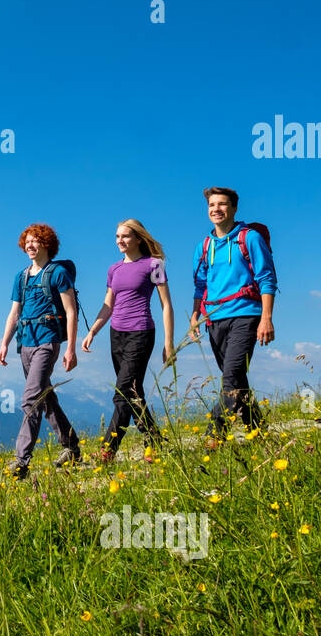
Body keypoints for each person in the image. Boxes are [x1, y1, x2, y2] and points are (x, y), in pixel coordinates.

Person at [187, 187, 277, 446]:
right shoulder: (204, 246)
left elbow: (267, 279)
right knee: (238, 382)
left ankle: (213, 438)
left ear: (234, 208)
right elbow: (200, 285)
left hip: (245, 315)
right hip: (214, 319)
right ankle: (262, 437)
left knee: (230, 377)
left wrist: (266, 318)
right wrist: (195, 316)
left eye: (222, 204)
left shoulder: (250, 239)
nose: (216, 209)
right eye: (212, 204)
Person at [81, 219, 174, 463]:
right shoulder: (114, 269)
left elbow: (166, 306)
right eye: (117, 236)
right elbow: (108, 305)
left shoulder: (154, 264)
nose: (119, 241)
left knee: (121, 392)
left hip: (141, 332)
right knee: (133, 393)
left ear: (138, 238)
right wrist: (93, 331)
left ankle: (107, 451)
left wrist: (169, 343)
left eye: (125, 236)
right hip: (116, 334)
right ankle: (154, 442)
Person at [0, 223, 81, 481]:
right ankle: (72, 448)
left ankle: (21, 462)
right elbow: (14, 313)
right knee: (45, 398)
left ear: (47, 244)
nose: (30, 246)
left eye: (36, 241)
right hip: (25, 343)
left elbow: (70, 311)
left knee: (30, 399)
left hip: (47, 341)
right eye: (27, 242)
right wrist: (4, 343)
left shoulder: (57, 273)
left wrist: (71, 349)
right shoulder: (20, 277)